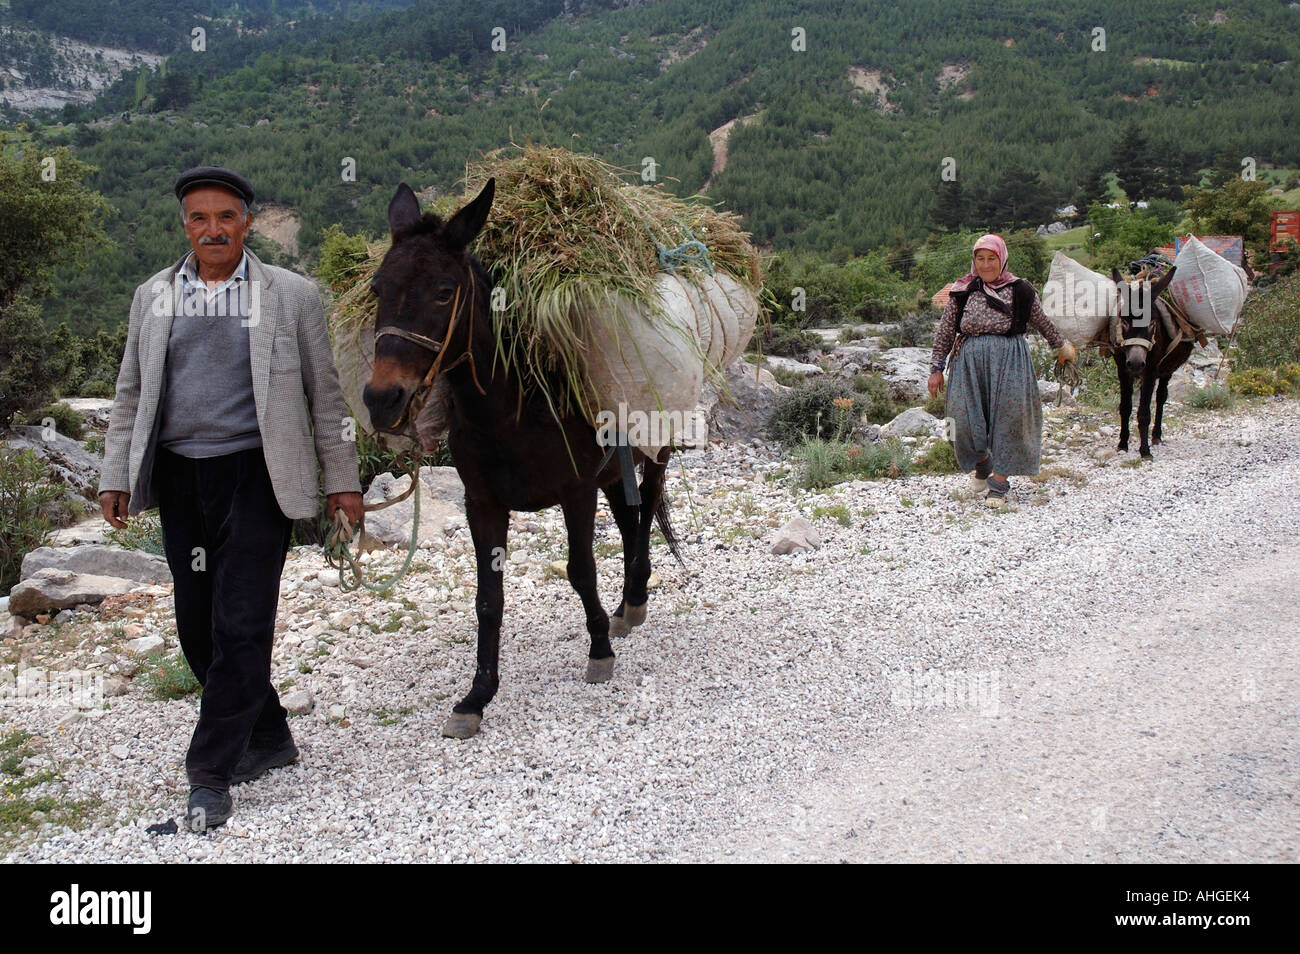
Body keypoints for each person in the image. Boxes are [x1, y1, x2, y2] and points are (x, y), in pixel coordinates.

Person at [98, 166, 364, 831]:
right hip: (182, 478)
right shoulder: (151, 297)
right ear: (183, 225)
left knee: (241, 623)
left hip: (257, 477)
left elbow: (326, 399)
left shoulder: (293, 296)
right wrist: (115, 474)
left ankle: (210, 775)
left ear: (248, 221)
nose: (212, 229)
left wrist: (343, 482)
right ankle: (270, 735)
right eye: (198, 218)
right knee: (197, 628)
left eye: (225, 217)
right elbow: (131, 392)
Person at [927, 234, 1076, 509]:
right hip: (968, 365)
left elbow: (1041, 321)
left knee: (1009, 420)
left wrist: (1061, 346)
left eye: (991, 259)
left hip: (1010, 361)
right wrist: (936, 367)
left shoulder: (1020, 290)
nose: (985, 265)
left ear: (1002, 258)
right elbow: (946, 330)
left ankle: (999, 484)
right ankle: (983, 463)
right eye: (980, 259)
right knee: (958, 421)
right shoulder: (962, 290)